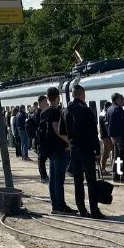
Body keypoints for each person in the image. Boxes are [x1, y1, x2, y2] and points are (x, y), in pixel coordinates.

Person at [65, 84, 104, 219]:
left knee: (78, 181)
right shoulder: (86, 111)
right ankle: (94, 210)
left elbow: (61, 131)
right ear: (82, 95)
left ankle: (82, 209)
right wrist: (97, 151)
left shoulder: (67, 110)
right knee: (91, 180)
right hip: (86, 149)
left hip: (74, 149)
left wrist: (70, 143)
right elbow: (93, 133)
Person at [41, 87, 75, 215]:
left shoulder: (44, 112)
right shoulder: (55, 111)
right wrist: (68, 141)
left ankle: (55, 205)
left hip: (49, 149)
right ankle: (60, 206)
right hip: (59, 149)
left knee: (53, 178)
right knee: (59, 179)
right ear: (56, 97)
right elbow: (56, 128)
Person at [106, 93, 124, 183]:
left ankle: (116, 175)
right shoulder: (118, 110)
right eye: (122, 100)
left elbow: (107, 123)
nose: (123, 102)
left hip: (114, 137)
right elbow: (123, 125)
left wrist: (111, 136)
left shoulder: (109, 109)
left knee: (117, 157)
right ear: (118, 99)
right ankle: (123, 175)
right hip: (121, 137)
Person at [35, 95, 49, 183]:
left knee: (43, 158)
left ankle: (44, 175)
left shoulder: (41, 113)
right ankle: (43, 176)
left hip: (43, 139)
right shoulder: (38, 114)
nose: (47, 103)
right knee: (42, 158)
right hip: (41, 140)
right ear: (41, 103)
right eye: (45, 102)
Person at [99, 101, 112, 172]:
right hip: (106, 136)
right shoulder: (104, 115)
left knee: (106, 153)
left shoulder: (101, 114)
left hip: (104, 136)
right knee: (111, 151)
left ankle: (103, 169)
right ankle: (103, 168)